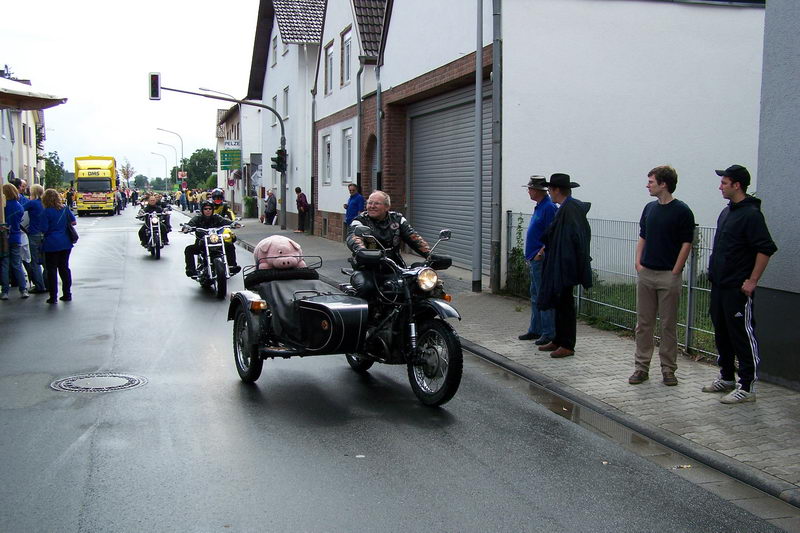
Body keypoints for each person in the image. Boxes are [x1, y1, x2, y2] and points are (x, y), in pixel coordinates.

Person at [702, 165, 777, 404]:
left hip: (737, 288)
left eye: (724, 182)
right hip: (720, 286)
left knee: (741, 335)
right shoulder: (727, 212)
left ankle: (747, 386)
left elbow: (765, 249)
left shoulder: (751, 215)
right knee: (722, 333)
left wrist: (752, 281)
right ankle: (727, 377)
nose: (720, 186)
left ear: (737, 185)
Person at [628, 166, 695, 386]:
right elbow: (643, 237)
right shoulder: (649, 209)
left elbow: (687, 242)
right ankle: (641, 368)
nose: (647, 185)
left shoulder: (682, 211)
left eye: (651, 181)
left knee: (668, 325)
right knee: (643, 324)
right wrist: (638, 262)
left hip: (669, 275)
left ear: (664, 183)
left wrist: (676, 269)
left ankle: (668, 369)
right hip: (646, 272)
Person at [537, 173, 592, 358]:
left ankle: (567, 344)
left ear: (557, 190)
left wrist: (567, 263)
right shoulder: (565, 208)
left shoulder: (571, 209)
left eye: (551, 190)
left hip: (566, 266)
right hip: (560, 264)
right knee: (559, 302)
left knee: (565, 304)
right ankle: (559, 339)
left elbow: (576, 239)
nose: (550, 193)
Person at [346, 191, 431, 297]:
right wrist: (363, 251)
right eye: (369, 203)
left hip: (395, 267)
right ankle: (368, 312)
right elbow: (354, 238)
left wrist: (430, 254)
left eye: (376, 203)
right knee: (366, 287)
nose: (372, 206)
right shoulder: (360, 221)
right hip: (367, 268)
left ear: (387, 207)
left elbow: (413, 237)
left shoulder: (397, 219)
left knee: (418, 286)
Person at [518, 176, 558, 345]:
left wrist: (541, 252)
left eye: (530, 188)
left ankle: (548, 332)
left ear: (537, 191)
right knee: (535, 294)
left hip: (540, 259)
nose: (528, 191)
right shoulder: (540, 207)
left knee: (543, 295)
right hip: (534, 258)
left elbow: (552, 233)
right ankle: (536, 329)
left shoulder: (548, 208)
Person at [184, 201, 240, 277]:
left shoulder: (216, 217)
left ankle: (231, 266)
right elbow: (190, 224)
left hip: (216, 241)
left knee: (229, 246)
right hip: (201, 243)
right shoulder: (197, 218)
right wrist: (187, 227)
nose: (208, 210)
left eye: (210, 209)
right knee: (189, 249)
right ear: (202, 210)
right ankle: (191, 270)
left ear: (212, 210)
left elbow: (225, 221)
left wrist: (234, 223)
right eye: (205, 209)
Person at [41, 188, 76, 304]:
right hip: (65, 242)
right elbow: (73, 222)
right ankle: (67, 293)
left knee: (51, 270)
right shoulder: (65, 209)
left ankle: (53, 296)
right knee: (64, 268)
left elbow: (44, 229)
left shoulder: (46, 212)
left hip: (51, 243)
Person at [1, 183, 29, 299]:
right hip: (16, 236)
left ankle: (5, 291)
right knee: (17, 264)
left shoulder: (3, 206)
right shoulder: (19, 206)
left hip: (3, 238)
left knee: (4, 264)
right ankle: (23, 289)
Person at [23, 184, 48, 293]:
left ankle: (39, 285)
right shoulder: (45, 203)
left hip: (34, 234)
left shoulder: (32, 203)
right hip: (45, 234)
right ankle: (48, 283)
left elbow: (20, 210)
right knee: (46, 261)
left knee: (35, 261)